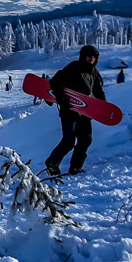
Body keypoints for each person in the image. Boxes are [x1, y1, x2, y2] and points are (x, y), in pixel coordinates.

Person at [45, 45, 106, 177]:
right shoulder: (73, 67)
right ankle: (52, 163)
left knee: (86, 139)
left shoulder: (94, 72)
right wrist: (61, 98)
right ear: (83, 56)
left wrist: (104, 106)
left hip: (85, 110)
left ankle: (76, 167)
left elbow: (98, 91)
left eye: (94, 57)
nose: (91, 58)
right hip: (69, 110)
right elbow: (55, 82)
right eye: (89, 56)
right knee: (69, 141)